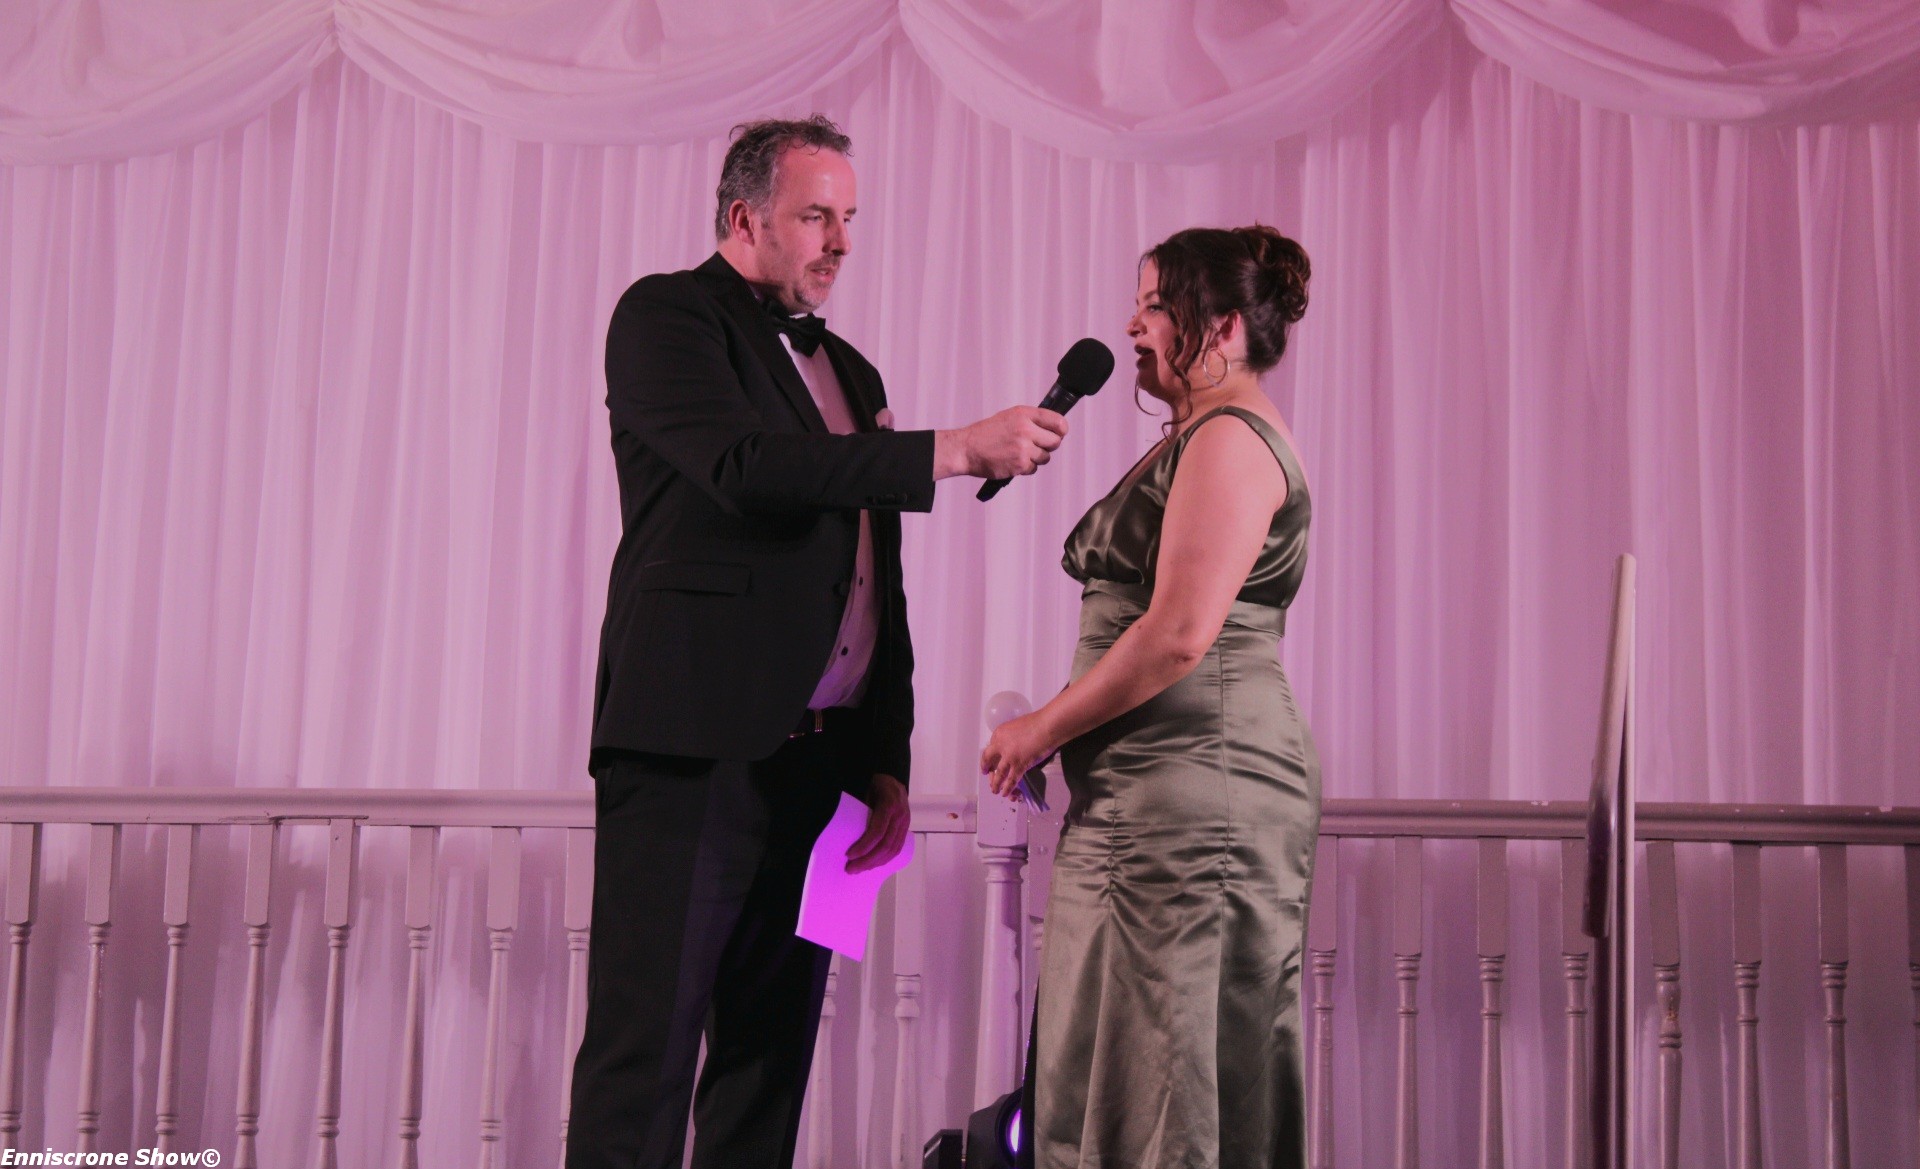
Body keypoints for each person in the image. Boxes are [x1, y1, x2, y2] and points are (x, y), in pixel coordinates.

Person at [570, 115, 1069, 1169]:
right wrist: (948, 448)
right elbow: (746, 468)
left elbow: (874, 581)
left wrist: (883, 755)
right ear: (745, 217)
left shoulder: (851, 368)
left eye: (849, 218)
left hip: (818, 766)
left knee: (770, 1060)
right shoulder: (665, 315)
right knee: (643, 1054)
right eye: (815, 216)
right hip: (691, 750)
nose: (840, 240)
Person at [981, 225, 1319, 1169]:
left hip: (1197, 799)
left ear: (1223, 327)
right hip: (1146, 801)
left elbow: (1177, 632)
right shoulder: (1202, 432)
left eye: (1156, 307)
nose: (1132, 327)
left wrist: (1041, 728)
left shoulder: (1231, 438)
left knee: (1170, 1071)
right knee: (1120, 1063)